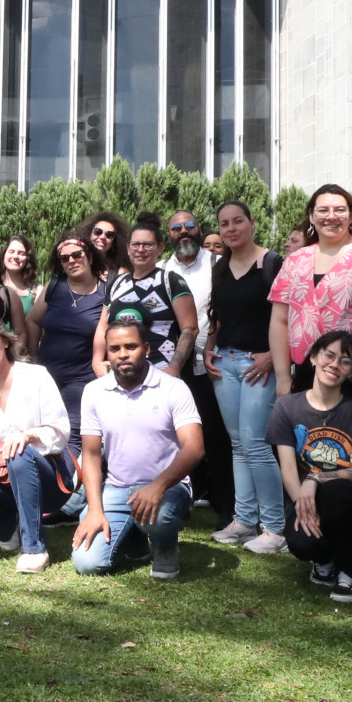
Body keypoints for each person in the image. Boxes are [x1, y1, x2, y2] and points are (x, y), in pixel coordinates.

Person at [71, 316, 205, 580]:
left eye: (130, 347)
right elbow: (91, 454)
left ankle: (165, 544)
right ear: (107, 353)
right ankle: (133, 536)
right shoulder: (94, 391)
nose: (122, 354)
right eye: (115, 349)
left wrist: (158, 486)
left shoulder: (173, 388)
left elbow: (194, 448)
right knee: (87, 563)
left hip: (168, 488)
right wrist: (95, 509)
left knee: (159, 516)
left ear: (146, 348)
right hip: (117, 489)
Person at [268, 331, 352, 603]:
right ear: (313, 357)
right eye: (329, 355)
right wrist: (302, 507)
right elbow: (288, 469)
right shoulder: (286, 407)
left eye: (345, 361)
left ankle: (351, 570)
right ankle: (323, 559)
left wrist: (314, 478)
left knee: (338, 492)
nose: (335, 364)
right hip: (309, 500)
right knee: (302, 543)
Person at [203, 199, 289, 553]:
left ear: (252, 224)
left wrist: (273, 355)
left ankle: (275, 529)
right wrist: (209, 347)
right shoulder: (220, 268)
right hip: (226, 362)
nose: (231, 228)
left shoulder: (273, 263)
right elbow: (218, 316)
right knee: (238, 444)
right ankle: (244, 520)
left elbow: (288, 316)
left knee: (255, 444)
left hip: (259, 364)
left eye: (238, 221)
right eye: (224, 224)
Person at [269, 184, 352, 403]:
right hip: (308, 371)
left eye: (340, 210)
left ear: (351, 215)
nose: (331, 216)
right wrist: (283, 378)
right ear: (311, 216)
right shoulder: (295, 261)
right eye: (323, 210)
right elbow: (279, 320)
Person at [0, 314, 71, 573]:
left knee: (19, 452)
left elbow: (62, 429)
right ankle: (9, 529)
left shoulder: (36, 376)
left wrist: (28, 435)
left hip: (48, 480)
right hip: (3, 478)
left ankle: (34, 549)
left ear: (5, 340)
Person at [160, 208, 234, 534]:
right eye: (177, 228)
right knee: (176, 435)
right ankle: (182, 497)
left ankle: (226, 506)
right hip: (176, 364)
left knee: (218, 436)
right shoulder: (163, 270)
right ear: (170, 234)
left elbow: (225, 310)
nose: (184, 232)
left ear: (199, 229)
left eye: (189, 226)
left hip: (213, 363)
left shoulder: (218, 264)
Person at [92, 215, 197, 381]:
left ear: (160, 248)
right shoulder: (118, 283)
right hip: (122, 374)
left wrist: (172, 370)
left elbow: (190, 329)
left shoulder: (171, 281)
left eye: (148, 245)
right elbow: (102, 326)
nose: (140, 250)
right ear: (128, 248)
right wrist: (97, 361)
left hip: (161, 372)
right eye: (135, 244)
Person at [25, 231, 107, 436]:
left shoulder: (105, 291)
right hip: (47, 375)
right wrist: (34, 356)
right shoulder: (54, 287)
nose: (72, 260)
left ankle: (70, 469)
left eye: (77, 254)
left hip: (82, 378)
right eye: (64, 258)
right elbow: (33, 321)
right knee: (40, 429)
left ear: (89, 255)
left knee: (72, 431)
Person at [2, 235, 39, 317]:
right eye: (11, 251)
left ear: (27, 258)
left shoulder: (36, 290)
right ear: (4, 254)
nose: (15, 256)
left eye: (21, 253)